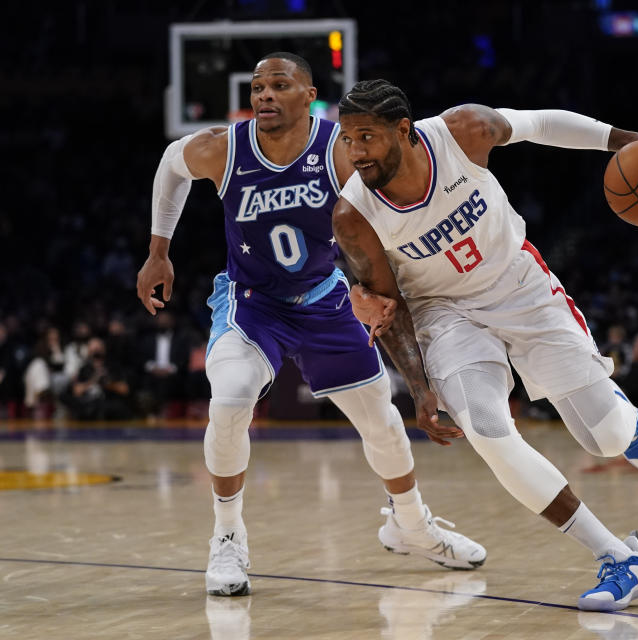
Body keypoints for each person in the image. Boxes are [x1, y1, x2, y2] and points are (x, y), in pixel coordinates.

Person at [136, 53, 485, 598]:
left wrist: (376, 291)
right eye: (257, 87)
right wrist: (159, 251)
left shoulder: (339, 150)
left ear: (309, 94)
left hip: (325, 298)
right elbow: (169, 163)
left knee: (385, 425)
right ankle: (227, 538)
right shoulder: (225, 147)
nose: (264, 95)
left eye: (279, 85)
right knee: (229, 401)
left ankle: (412, 526)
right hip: (252, 302)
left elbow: (378, 226)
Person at [332, 79, 638, 611]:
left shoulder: (463, 131)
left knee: (605, 440)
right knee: (489, 431)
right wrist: (421, 388)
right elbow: (387, 304)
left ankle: (624, 420)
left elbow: (542, 124)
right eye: (347, 139)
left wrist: (632, 143)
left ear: (403, 131)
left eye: (366, 138)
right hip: (444, 316)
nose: (355, 153)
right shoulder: (353, 215)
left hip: (520, 287)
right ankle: (619, 558)